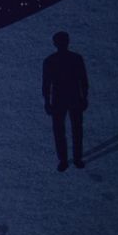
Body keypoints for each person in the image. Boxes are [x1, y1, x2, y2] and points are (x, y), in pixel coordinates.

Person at [42, 31, 89, 171]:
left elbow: (46, 84)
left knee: (62, 131)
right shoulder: (76, 58)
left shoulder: (50, 60)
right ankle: (75, 159)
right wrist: (84, 97)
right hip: (72, 98)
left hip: (60, 99)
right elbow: (83, 81)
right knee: (75, 129)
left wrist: (47, 101)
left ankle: (66, 160)